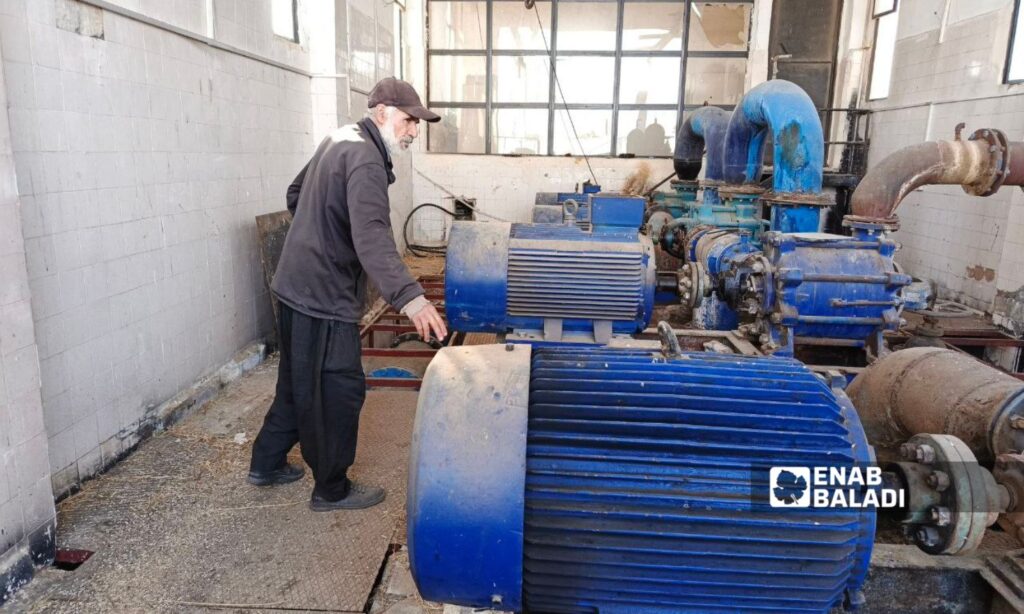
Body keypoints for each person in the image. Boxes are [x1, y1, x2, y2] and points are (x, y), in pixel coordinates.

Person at [247, 77, 448, 511]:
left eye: (417, 123)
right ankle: (331, 489)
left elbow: (295, 193)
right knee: (337, 390)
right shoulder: (367, 161)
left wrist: (318, 239)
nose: (414, 130)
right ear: (382, 114)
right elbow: (373, 237)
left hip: (293, 283)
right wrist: (413, 299)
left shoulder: (339, 137)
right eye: (409, 121)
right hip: (323, 295)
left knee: (297, 381)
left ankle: (266, 462)